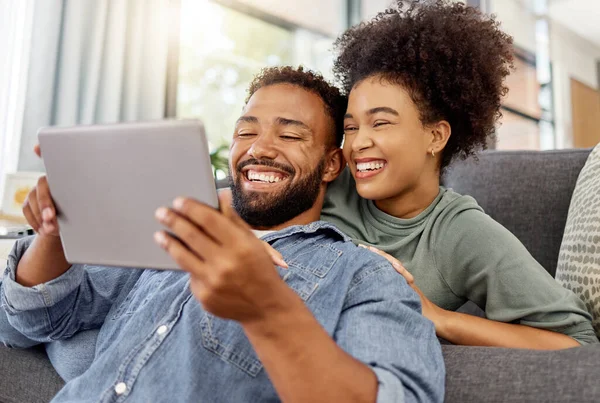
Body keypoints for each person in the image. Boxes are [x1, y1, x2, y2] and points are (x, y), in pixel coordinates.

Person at [1, 66, 444, 403]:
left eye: (290, 135)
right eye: (245, 131)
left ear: (331, 164)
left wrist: (266, 310)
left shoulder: (363, 274)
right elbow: (31, 322)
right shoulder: (170, 230)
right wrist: (54, 233)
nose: (258, 148)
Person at [320, 0, 597, 349]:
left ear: (435, 136)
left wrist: (437, 317)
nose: (359, 142)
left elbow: (577, 342)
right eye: (351, 127)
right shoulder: (327, 181)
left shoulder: (460, 233)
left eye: (381, 122)